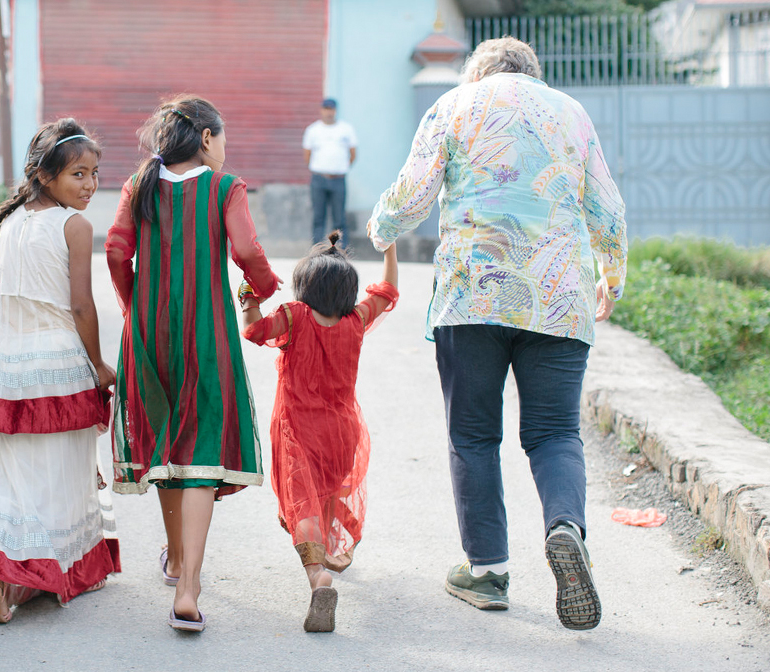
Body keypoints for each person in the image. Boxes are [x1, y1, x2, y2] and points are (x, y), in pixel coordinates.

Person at [368, 37, 627, 631]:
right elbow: (606, 210)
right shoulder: (572, 112)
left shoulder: (455, 106)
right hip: (559, 299)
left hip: (473, 293)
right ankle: (565, 527)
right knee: (556, 432)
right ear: (532, 75)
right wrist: (610, 278)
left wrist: (379, 231)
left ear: (477, 72)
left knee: (475, 435)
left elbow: (412, 195)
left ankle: (486, 572)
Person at [106, 95, 281, 633]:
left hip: (148, 331)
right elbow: (247, 250)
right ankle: (188, 587)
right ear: (206, 138)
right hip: (205, 333)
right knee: (201, 443)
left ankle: (177, 557)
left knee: (164, 438)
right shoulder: (224, 187)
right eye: (222, 138)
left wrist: (134, 306)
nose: (225, 149)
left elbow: (116, 250)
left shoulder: (139, 185)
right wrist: (264, 288)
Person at [0, 118, 119, 624]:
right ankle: (42, 575)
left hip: (10, 369)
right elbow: (81, 307)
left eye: (95, 173)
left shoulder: (8, 224)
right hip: (61, 366)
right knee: (61, 472)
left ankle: (0, 581)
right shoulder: (75, 226)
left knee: (12, 474)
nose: (90, 184)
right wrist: (98, 364)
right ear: (46, 175)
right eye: (79, 174)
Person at [241, 232, 399, 633]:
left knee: (303, 506)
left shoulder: (295, 317)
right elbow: (388, 291)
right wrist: (390, 246)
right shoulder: (356, 320)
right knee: (325, 494)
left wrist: (249, 297)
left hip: (298, 431)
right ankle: (329, 553)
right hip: (342, 431)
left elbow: (254, 331)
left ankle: (318, 578)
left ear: (304, 287)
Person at [303, 98, 357, 244]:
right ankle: (317, 251)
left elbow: (353, 154)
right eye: (326, 109)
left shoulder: (346, 129)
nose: (328, 112)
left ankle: (341, 249)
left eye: (331, 109)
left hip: (338, 179)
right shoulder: (313, 130)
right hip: (319, 179)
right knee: (318, 217)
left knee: (339, 217)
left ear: (335, 110)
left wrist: (340, 168)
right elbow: (307, 155)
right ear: (321, 110)